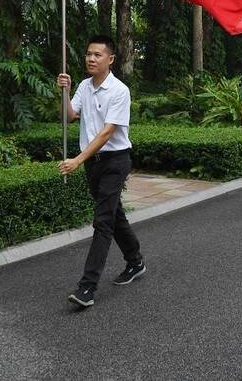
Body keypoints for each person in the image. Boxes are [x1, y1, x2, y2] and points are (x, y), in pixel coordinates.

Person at [57, 35, 144, 309]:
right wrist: (64, 92)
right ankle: (136, 261)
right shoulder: (84, 85)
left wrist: (78, 160)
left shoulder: (120, 91)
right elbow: (69, 116)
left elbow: (107, 132)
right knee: (114, 215)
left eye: (97, 54)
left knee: (103, 221)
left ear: (110, 59)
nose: (91, 59)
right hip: (94, 163)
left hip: (115, 161)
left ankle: (87, 288)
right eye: (88, 54)